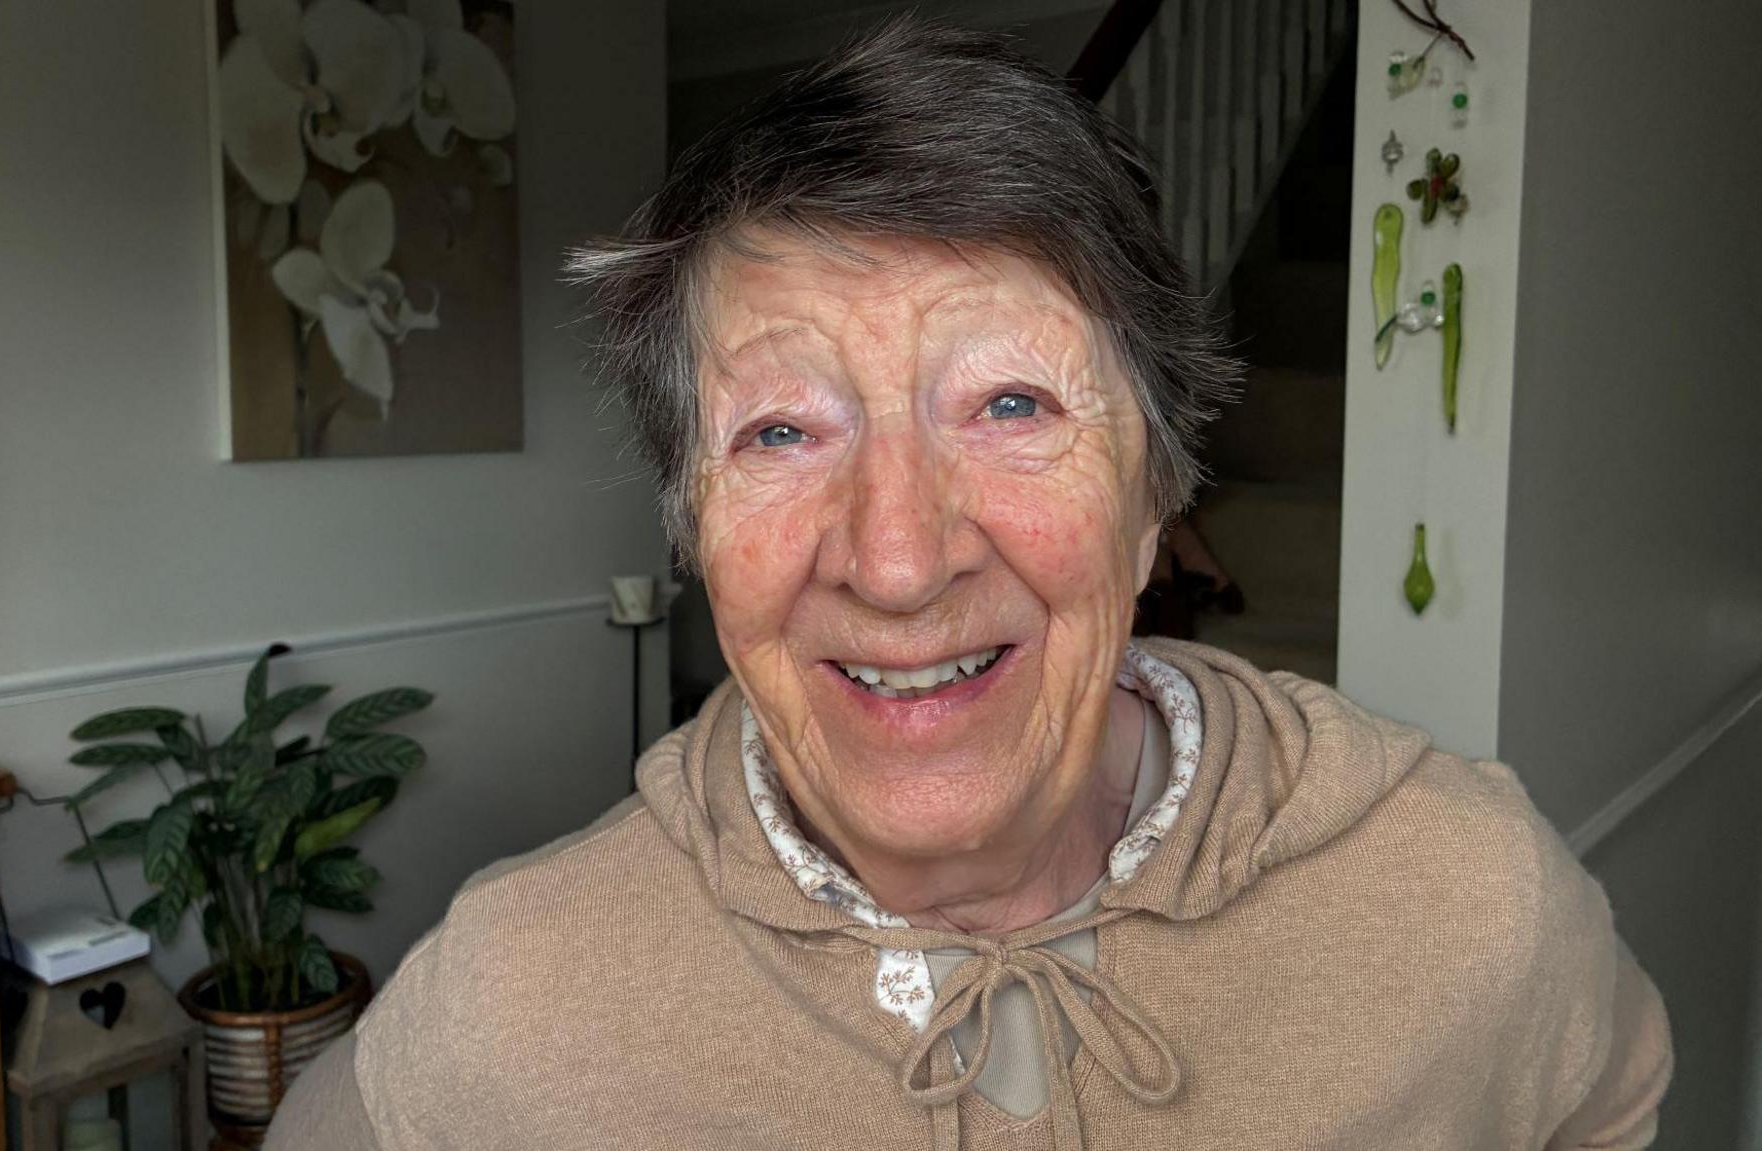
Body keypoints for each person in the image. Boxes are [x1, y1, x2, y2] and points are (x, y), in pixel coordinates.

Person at [268, 20, 1670, 1149]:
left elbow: (1606, 1107)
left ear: (1155, 499)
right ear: (691, 526)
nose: (895, 558)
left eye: (1009, 406)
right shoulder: (514, 1009)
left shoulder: (1463, 897)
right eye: (780, 431)